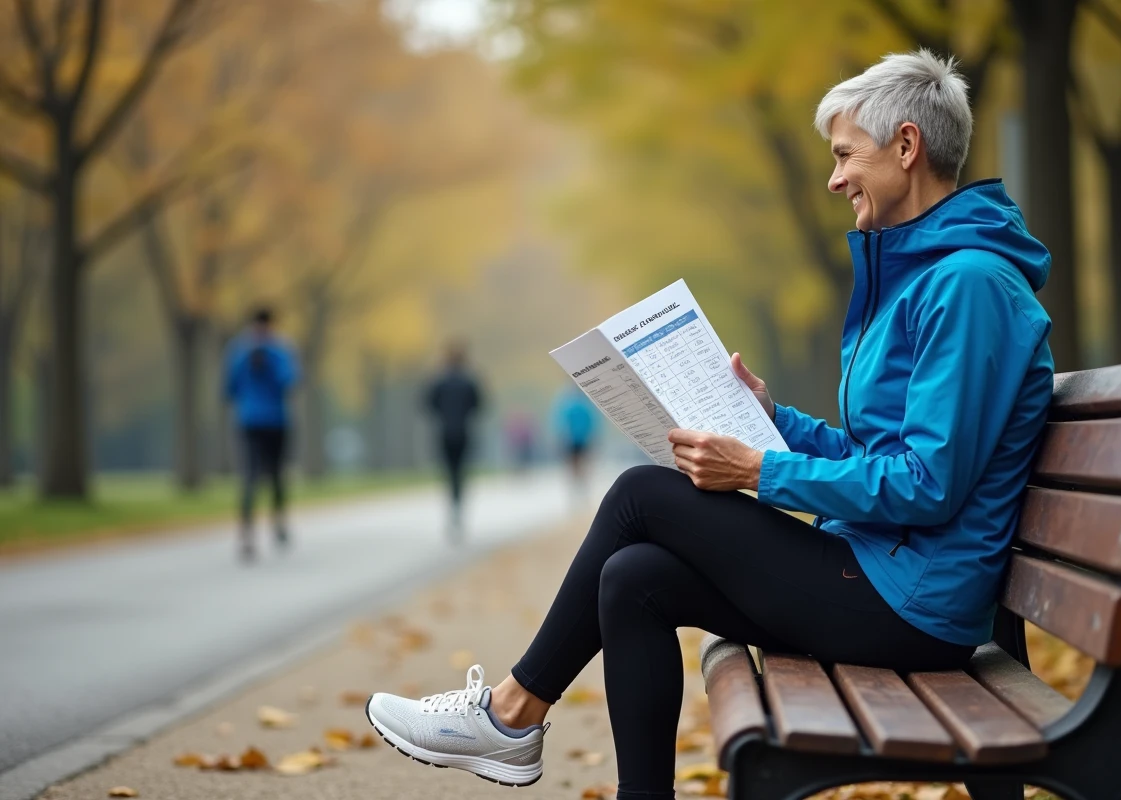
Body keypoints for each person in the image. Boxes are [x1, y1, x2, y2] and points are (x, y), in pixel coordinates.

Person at [365, 50, 1054, 798]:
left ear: (907, 147)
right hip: (885, 571)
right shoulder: (930, 276)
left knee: (640, 496)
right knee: (632, 580)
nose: (834, 178)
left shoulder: (968, 285)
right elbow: (880, 451)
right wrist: (771, 420)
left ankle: (510, 715)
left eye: (845, 155)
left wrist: (757, 471)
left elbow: (927, 486)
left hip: (915, 604)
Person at [224, 307, 300, 562]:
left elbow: (290, 381)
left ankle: (277, 521)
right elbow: (229, 386)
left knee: (276, 474)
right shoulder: (241, 351)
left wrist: (266, 366)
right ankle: (247, 534)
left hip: (275, 421)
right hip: (253, 421)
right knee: (250, 476)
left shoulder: (278, 351)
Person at [426, 341, 484, 541]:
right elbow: (479, 405)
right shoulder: (469, 381)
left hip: (444, 432)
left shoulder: (439, 381)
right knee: (461, 471)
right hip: (464, 432)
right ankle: (458, 507)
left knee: (450, 472)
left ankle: (453, 506)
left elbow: (428, 404)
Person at [552, 383, 600, 495]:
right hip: (580, 439)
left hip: (574, 440)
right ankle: (580, 485)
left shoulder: (568, 405)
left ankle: (577, 485)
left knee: (575, 464)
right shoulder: (585, 405)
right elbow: (592, 423)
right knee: (581, 464)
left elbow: (562, 423)